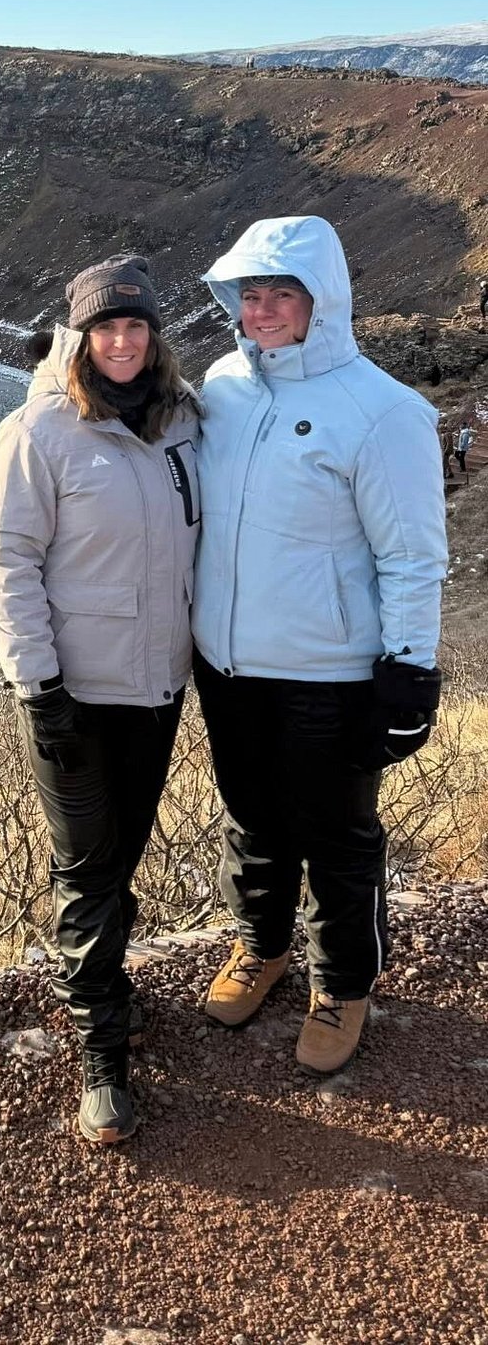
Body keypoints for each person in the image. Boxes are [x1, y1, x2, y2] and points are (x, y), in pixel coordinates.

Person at [192, 216, 446, 1076]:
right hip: (228, 664)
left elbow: (412, 555)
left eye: (281, 295)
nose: (261, 311)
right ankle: (261, 946)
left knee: (337, 833)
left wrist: (409, 673)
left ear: (321, 302)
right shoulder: (222, 384)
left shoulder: (383, 411)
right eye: (248, 295)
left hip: (329, 672)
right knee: (254, 820)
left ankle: (343, 982)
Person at [0, 253, 200, 1146]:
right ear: (79, 336)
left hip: (158, 688)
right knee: (85, 873)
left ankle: (112, 987)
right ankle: (101, 1051)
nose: (122, 340)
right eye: (106, 326)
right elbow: (6, 563)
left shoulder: (184, 423)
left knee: (123, 857)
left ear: (154, 336)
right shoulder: (38, 432)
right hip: (72, 695)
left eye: (136, 325)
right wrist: (39, 690)